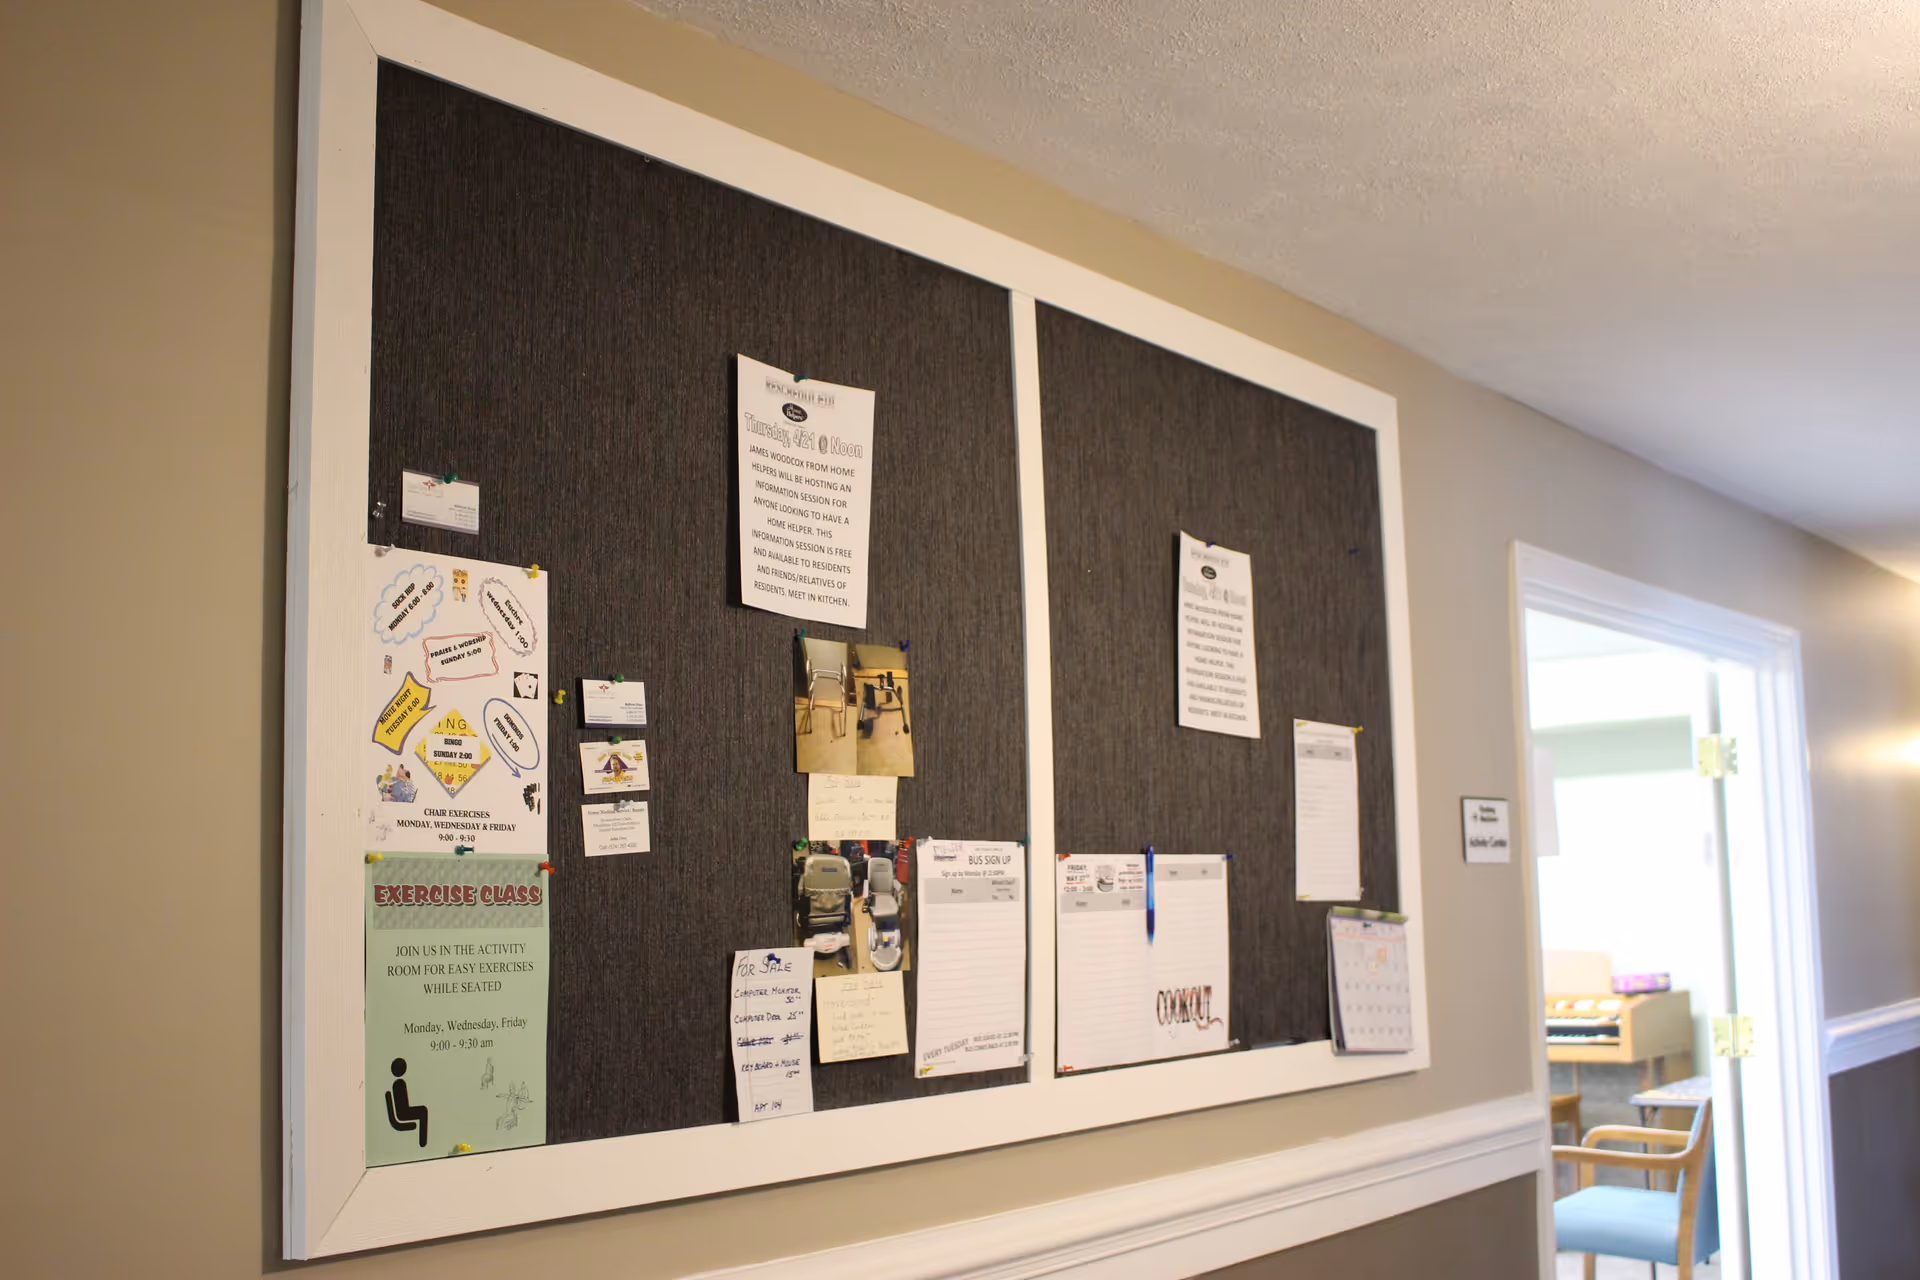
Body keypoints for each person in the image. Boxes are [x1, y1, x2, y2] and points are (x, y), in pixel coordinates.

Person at [384, 1057, 429, 1147]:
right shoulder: (399, 1084)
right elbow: (400, 1111)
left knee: (423, 1110)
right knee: (423, 1111)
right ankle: (422, 1142)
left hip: (403, 1112)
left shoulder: (399, 1083)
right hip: (403, 1114)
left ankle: (422, 1142)